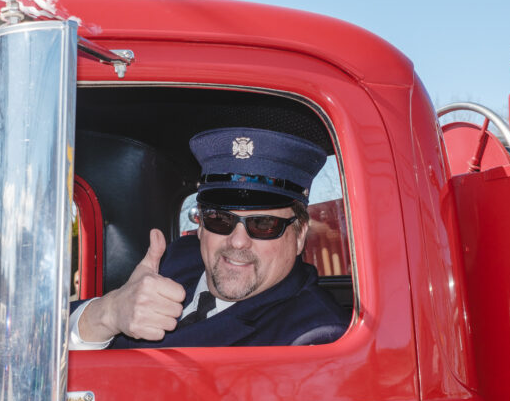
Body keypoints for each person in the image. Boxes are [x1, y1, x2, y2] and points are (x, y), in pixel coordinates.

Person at [70, 127, 348, 349]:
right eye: (220, 219)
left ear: (299, 235)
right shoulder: (178, 259)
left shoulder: (314, 337)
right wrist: (107, 313)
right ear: (201, 225)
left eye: (263, 224)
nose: (237, 242)